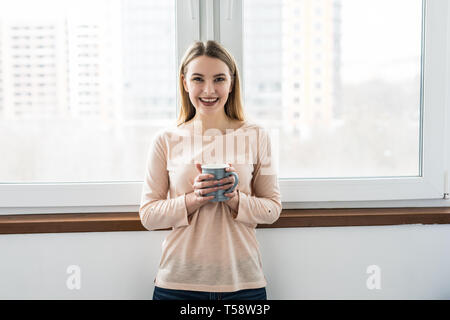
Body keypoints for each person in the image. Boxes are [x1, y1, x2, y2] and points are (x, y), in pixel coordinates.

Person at [139, 40, 282, 300]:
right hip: (177, 286)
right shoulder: (165, 140)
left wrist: (235, 199)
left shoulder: (257, 136)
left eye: (219, 79)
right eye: (197, 79)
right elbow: (148, 216)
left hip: (243, 285)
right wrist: (195, 199)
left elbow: (272, 209)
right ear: (184, 83)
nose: (208, 90)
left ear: (232, 82)